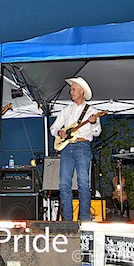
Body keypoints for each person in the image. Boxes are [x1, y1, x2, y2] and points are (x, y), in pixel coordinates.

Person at [50, 77, 101, 221]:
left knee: (83, 183)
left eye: (73, 89)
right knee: (64, 184)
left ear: (81, 91)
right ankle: (67, 220)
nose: (70, 91)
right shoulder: (66, 110)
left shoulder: (92, 111)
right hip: (67, 148)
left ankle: (84, 219)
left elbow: (97, 132)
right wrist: (59, 132)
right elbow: (53, 128)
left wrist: (94, 122)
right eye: (71, 89)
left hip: (83, 146)